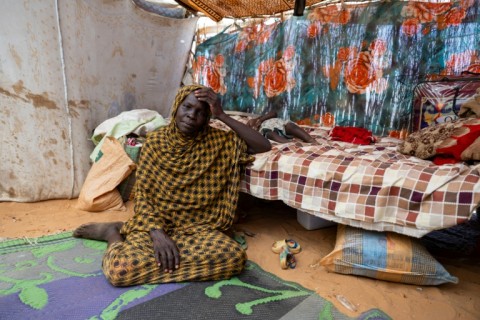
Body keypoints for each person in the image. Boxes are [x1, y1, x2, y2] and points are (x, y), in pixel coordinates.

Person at [73, 84, 271, 286]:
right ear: (176, 107)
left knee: (234, 258)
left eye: (201, 112)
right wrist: (157, 234)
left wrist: (221, 115)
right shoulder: (155, 143)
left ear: (207, 117)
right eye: (187, 107)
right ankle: (113, 235)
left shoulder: (219, 142)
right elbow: (143, 196)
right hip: (155, 225)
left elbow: (263, 146)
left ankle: (163, 256)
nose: (192, 115)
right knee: (120, 271)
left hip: (199, 230)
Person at [246, 110, 318, 144]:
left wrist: (260, 120)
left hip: (281, 125)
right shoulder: (252, 126)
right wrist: (253, 127)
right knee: (270, 134)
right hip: (268, 130)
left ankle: (311, 140)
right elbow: (246, 133)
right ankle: (289, 144)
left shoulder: (262, 118)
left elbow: (274, 113)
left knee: (290, 126)